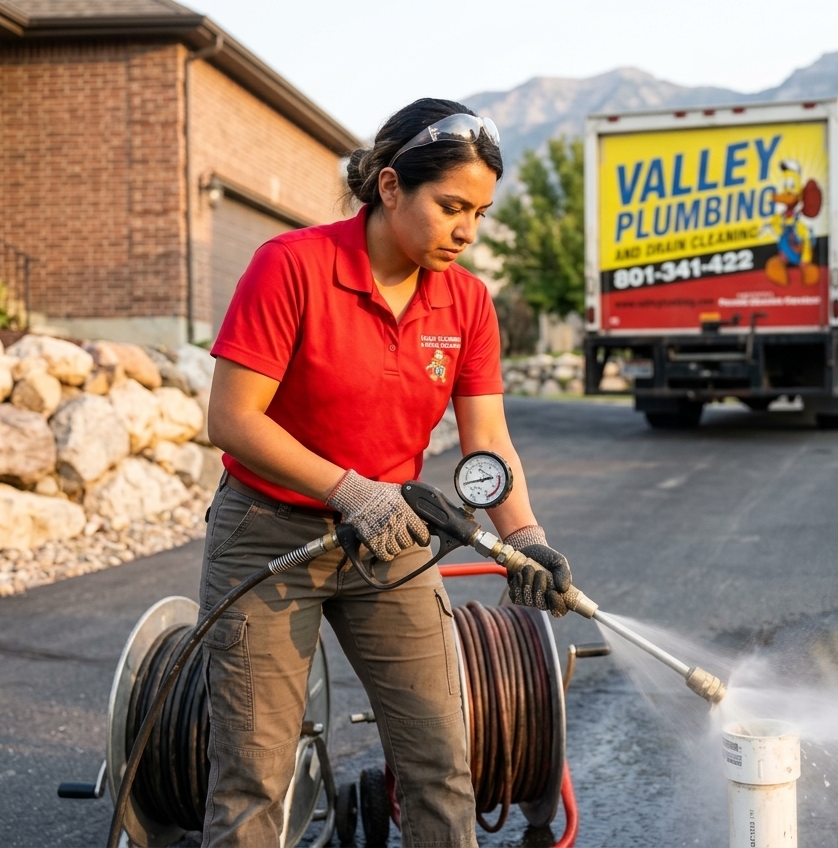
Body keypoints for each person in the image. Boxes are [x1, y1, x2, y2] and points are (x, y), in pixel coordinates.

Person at [201, 97, 574, 847]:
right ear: (392, 186)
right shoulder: (293, 266)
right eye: (452, 206)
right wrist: (349, 488)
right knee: (252, 777)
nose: (467, 230)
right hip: (269, 535)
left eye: (480, 212)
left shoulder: (467, 302)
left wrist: (525, 536)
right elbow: (234, 420)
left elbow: (489, 440)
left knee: (441, 762)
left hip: (392, 539)